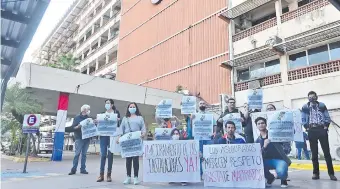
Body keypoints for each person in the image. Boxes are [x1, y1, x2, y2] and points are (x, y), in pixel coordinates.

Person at [301, 91, 337, 181]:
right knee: (314, 153)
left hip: (321, 129)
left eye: (313, 97)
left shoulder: (322, 105)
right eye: (310, 97)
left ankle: (331, 174)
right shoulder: (305, 107)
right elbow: (302, 118)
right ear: (308, 98)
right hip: (311, 130)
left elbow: (327, 117)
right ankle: (315, 173)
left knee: (327, 153)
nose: (311, 98)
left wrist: (325, 127)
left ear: (316, 97)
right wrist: (307, 127)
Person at [255, 117, 291, 188]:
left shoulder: (274, 135)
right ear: (256, 126)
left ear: (266, 124)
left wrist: (285, 150)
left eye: (262, 123)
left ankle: (283, 179)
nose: (261, 125)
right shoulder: (257, 140)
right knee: (257, 167)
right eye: (258, 124)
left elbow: (286, 143)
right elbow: (258, 155)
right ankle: (270, 177)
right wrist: (264, 146)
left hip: (279, 159)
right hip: (267, 161)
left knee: (281, 172)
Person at [116, 102, 146, 185]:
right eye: (130, 106)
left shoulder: (140, 118)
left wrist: (143, 134)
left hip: (136, 140)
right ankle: (128, 177)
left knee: (135, 159)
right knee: (128, 159)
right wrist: (118, 137)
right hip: (127, 140)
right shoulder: (125, 118)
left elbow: (143, 129)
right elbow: (121, 129)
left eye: (133, 106)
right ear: (128, 108)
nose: (132, 108)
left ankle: (136, 177)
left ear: (136, 108)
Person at [97, 99, 121, 182]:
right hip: (103, 136)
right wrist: (97, 121)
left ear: (112, 105)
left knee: (110, 155)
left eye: (108, 103)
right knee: (103, 155)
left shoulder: (116, 113)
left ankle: (109, 175)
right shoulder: (102, 114)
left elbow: (119, 125)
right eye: (106, 103)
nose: (107, 104)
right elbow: (99, 124)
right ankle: (101, 175)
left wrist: (118, 121)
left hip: (112, 136)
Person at [68, 104, 91, 175]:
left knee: (84, 154)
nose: (89, 111)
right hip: (79, 138)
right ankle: (73, 169)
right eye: (88, 109)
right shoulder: (77, 118)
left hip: (87, 138)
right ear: (84, 110)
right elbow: (73, 127)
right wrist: (78, 126)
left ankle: (83, 169)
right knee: (77, 154)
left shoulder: (88, 119)